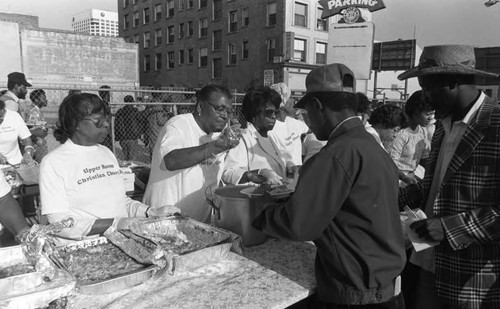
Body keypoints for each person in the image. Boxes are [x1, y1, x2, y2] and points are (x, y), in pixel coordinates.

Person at [253, 63, 406, 308]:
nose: (307, 122)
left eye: (306, 112)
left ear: (318, 106)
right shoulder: (370, 144)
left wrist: (261, 211)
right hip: (387, 288)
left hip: (357, 293)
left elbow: (299, 226)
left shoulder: (335, 155)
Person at [398, 44, 500, 309]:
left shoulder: (496, 126)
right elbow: (434, 187)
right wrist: (385, 195)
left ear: (453, 82)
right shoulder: (443, 127)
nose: (424, 97)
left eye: (428, 88)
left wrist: (449, 228)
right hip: (427, 263)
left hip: (473, 279)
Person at [40, 93, 178, 243]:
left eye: (106, 119)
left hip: (119, 242)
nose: (106, 124)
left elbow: (119, 202)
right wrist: (114, 223)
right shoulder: (54, 162)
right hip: (84, 250)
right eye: (98, 121)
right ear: (75, 123)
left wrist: (150, 212)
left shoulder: (106, 153)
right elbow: (58, 224)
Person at [142, 85, 240, 223]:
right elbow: (171, 161)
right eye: (219, 109)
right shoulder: (179, 125)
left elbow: (220, 175)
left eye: (228, 111)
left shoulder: (217, 137)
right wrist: (213, 148)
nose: (225, 115)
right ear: (200, 107)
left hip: (198, 223)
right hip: (165, 219)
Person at [222, 87, 287, 186]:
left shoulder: (272, 138)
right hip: (254, 198)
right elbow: (228, 173)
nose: (273, 116)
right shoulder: (243, 139)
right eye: (268, 112)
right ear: (254, 113)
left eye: (276, 112)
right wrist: (257, 173)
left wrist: (290, 168)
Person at [387, 91, 433, 186]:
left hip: (412, 178)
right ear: (415, 112)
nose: (430, 118)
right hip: (397, 180)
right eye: (427, 114)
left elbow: (424, 159)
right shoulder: (400, 133)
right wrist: (405, 178)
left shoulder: (422, 131)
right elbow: (392, 164)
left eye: (432, 114)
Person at [268, 83, 310, 167]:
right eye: (290, 98)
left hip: (298, 177)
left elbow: (312, 129)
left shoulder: (292, 122)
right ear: (282, 104)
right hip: (284, 177)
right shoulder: (271, 130)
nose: (293, 101)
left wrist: (302, 112)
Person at [0, 99, 36, 165]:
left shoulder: (14, 116)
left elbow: (27, 140)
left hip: (15, 162)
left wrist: (28, 153)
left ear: (2, 110)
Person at [25, 89, 49, 163]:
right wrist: (38, 142)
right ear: (36, 99)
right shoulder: (34, 112)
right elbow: (32, 128)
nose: (46, 100)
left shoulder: (36, 110)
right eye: (43, 98)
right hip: (37, 144)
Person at [115, 95, 141, 161]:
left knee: (126, 157)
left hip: (122, 137)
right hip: (132, 137)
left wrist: (117, 136)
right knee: (132, 158)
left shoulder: (120, 111)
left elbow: (116, 124)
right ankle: (131, 170)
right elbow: (141, 120)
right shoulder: (134, 111)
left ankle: (127, 169)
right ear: (132, 102)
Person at [98, 85, 113, 150]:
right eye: (110, 93)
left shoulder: (105, 104)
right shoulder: (103, 105)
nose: (111, 95)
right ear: (107, 94)